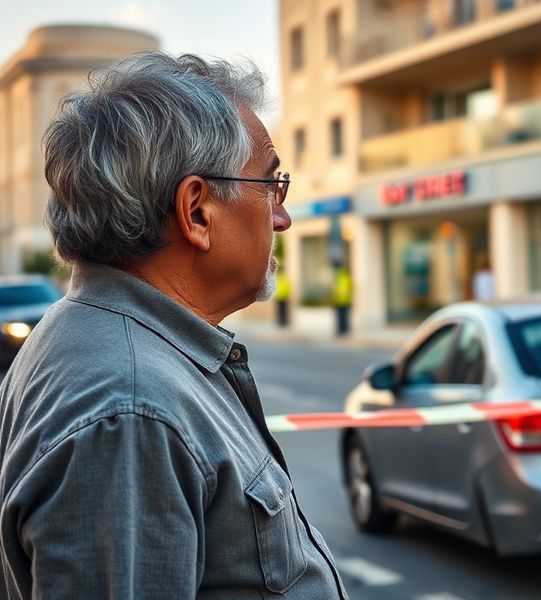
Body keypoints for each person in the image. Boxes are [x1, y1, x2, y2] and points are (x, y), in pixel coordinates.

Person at [0, 53, 347, 599]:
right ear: (197, 212)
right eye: (270, 184)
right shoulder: (131, 410)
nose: (282, 216)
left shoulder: (120, 354)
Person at [331, 266, 353, 336]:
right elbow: (352, 288)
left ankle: (341, 330)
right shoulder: (347, 278)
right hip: (345, 301)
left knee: (340, 317)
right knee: (344, 317)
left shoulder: (338, 279)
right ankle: (344, 330)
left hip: (340, 301)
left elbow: (334, 290)